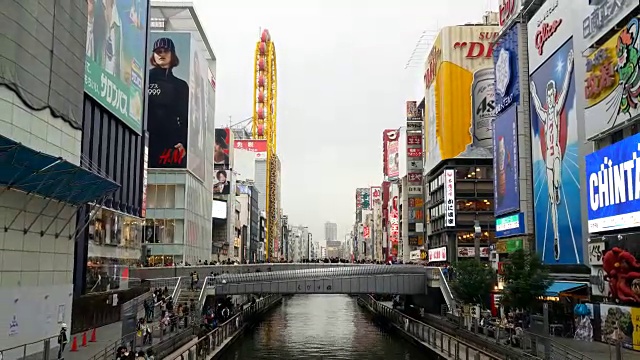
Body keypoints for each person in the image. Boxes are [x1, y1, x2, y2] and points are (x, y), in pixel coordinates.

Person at [530, 48, 574, 262]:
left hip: (556, 153)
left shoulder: (556, 111)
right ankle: (556, 238)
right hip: (548, 158)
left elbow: (565, 89)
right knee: (549, 198)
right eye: (548, 95)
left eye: (551, 94)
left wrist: (569, 66)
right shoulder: (545, 114)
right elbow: (537, 105)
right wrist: (532, 91)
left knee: (556, 184)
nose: (550, 97)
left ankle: (556, 189)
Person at [147, 37, 190, 168]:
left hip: (170, 144)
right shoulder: (144, 78)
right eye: (158, 51)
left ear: (172, 54)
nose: (162, 54)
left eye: (165, 51)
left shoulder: (180, 85)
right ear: (153, 55)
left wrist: (183, 143)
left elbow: (184, 118)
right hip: (145, 139)